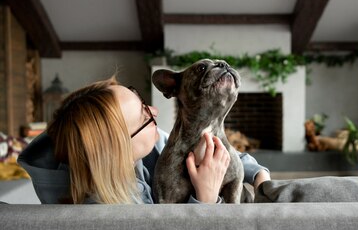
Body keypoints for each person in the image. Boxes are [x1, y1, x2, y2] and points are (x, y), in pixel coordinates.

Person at [18, 77, 270, 204]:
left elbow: (222, 152)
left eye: (141, 101)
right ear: (118, 152)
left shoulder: (137, 149)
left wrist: (258, 174)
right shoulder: (118, 206)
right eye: (145, 116)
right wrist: (207, 197)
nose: (155, 111)